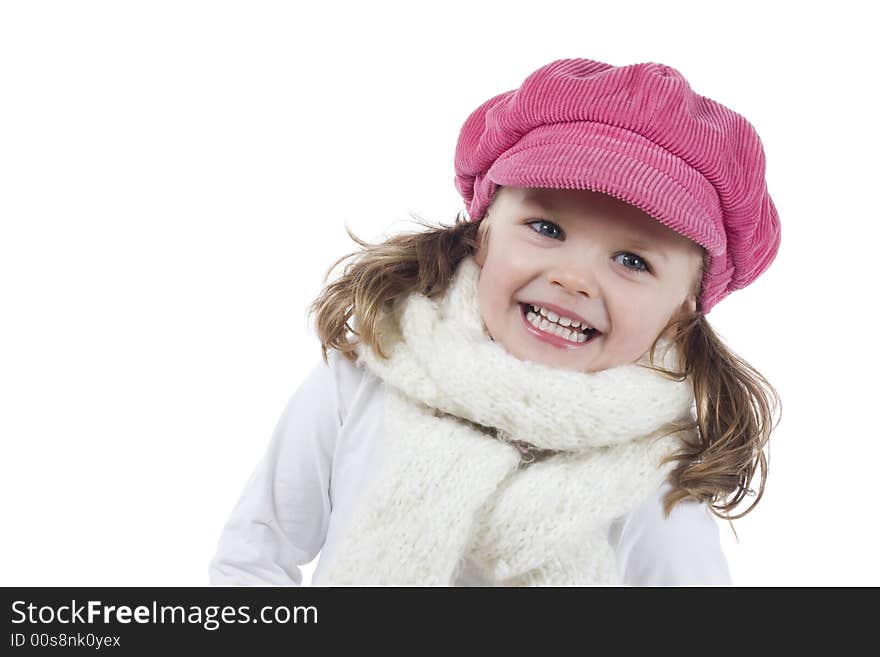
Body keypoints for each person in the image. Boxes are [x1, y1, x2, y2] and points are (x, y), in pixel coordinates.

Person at [208, 57, 782, 586]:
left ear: (686, 305)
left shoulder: (659, 474)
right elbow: (254, 555)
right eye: (547, 229)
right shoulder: (366, 374)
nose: (573, 279)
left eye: (633, 261)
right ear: (483, 228)